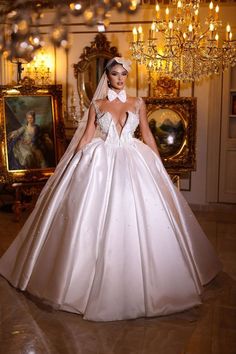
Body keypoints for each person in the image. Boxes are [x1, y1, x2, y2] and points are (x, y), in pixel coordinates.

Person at [0, 57, 221, 322]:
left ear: (127, 77)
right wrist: (72, 162)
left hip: (133, 157)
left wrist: (158, 163)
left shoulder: (138, 102)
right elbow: (87, 135)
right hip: (101, 160)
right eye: (115, 74)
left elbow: (147, 135)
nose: (119, 78)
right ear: (107, 77)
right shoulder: (97, 104)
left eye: (123, 74)